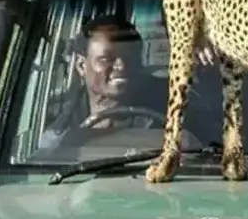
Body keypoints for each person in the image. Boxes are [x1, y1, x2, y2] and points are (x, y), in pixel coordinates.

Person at [38, 14, 169, 151]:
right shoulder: (53, 117)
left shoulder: (172, 106)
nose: (122, 65)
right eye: (107, 58)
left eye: (131, 56)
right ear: (82, 65)